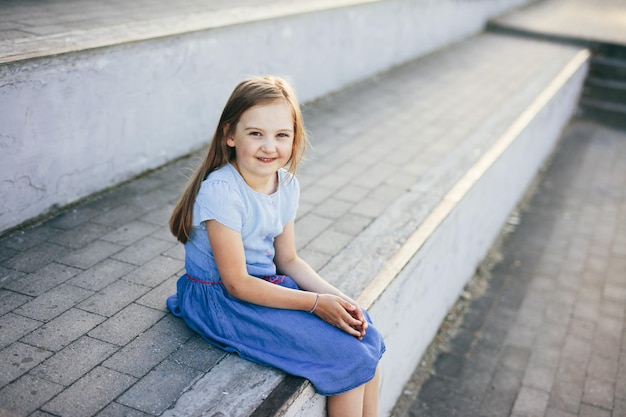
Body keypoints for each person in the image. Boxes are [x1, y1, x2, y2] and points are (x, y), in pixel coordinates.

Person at [167, 75, 385, 417]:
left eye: (281, 135)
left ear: (294, 138)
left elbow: (289, 259)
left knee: (364, 331)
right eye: (256, 133)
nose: (269, 147)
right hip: (222, 300)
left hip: (264, 286)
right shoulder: (222, 191)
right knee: (349, 357)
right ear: (230, 136)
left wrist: (339, 298)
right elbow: (236, 283)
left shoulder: (287, 185)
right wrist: (315, 304)